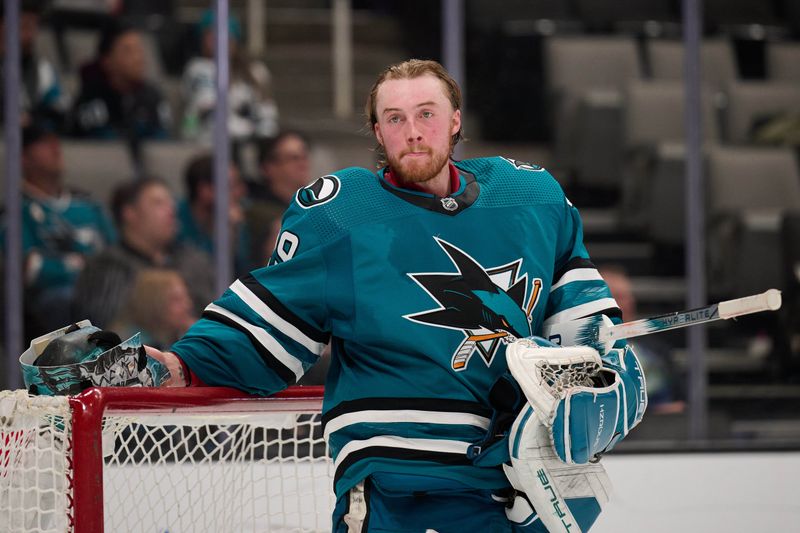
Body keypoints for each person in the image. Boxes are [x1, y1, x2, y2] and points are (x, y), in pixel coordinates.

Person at [146, 59, 647, 532]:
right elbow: (266, 326)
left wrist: (602, 375)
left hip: (513, 484)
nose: (412, 130)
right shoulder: (340, 218)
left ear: (454, 120)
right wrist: (181, 366)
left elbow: (586, 326)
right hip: (396, 481)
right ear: (378, 132)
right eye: (395, 118)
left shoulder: (531, 199)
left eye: (426, 114)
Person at [2, 123, 114, 338]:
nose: (56, 148)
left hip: (105, 288)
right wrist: (86, 265)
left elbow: (116, 253)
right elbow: (31, 270)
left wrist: (66, 264)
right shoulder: (16, 211)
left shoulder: (88, 203)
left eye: (56, 141)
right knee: (67, 298)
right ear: (23, 158)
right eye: (44, 144)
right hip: (56, 303)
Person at [72, 177, 213, 329]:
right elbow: (112, 328)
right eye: (158, 203)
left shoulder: (192, 259)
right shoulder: (106, 268)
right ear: (130, 213)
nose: (171, 210)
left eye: (171, 202)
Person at [180, 10, 279, 147]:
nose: (216, 39)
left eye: (223, 33)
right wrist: (190, 134)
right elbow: (198, 108)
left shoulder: (256, 71)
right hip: (208, 144)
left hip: (250, 144)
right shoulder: (197, 69)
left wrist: (265, 140)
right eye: (210, 34)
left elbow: (267, 113)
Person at [599, 264, 686, 414]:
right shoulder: (585, 352)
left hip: (662, 428)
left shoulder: (656, 349)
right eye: (619, 296)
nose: (629, 302)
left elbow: (681, 400)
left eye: (629, 296)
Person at [69, 19, 170, 140]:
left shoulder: (153, 98)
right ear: (107, 61)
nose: (138, 58)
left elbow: (162, 143)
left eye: (139, 50)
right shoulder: (91, 99)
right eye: (128, 51)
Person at [176, 153, 253, 276]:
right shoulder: (175, 220)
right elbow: (204, 268)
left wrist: (234, 232)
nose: (241, 191)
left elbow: (243, 271)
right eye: (232, 186)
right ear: (204, 190)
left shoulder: (235, 217)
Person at [0, 0, 69, 130]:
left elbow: (61, 111)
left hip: (28, 144)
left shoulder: (43, 71)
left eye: (34, 27)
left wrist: (34, 118)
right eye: (24, 26)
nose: (30, 36)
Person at [109, 268, 196, 350]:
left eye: (186, 297)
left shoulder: (165, 337)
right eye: (176, 300)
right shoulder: (131, 347)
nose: (188, 305)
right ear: (153, 305)